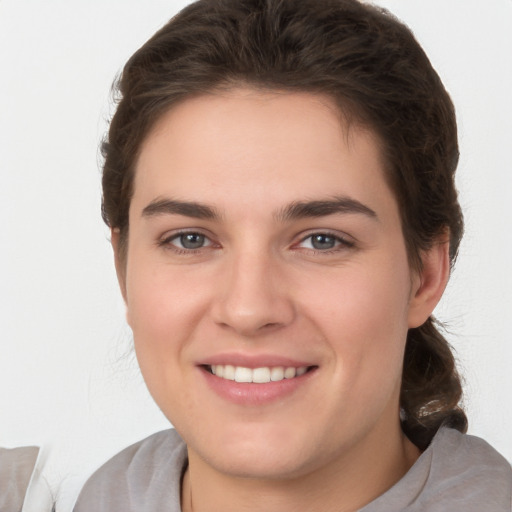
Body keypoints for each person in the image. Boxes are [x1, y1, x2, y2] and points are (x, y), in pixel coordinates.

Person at [73, 0, 512, 510]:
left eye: (322, 240)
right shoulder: (104, 494)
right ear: (123, 268)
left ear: (425, 276)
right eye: (190, 239)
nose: (248, 309)